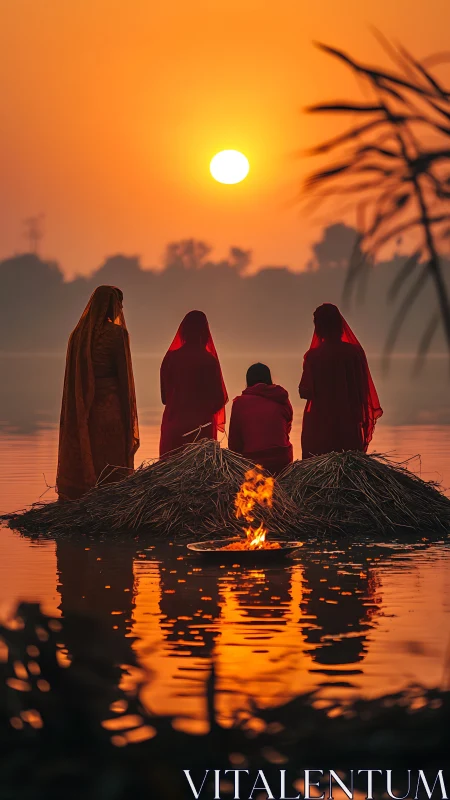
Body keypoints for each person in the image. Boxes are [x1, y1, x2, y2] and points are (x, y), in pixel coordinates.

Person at [56, 285, 139, 501]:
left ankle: (84, 495)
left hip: (83, 408)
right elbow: (124, 377)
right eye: (119, 305)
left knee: (90, 450)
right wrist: (128, 411)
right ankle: (111, 499)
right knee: (111, 458)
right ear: (112, 306)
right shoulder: (117, 334)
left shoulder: (77, 335)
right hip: (110, 407)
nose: (119, 310)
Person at [299, 303, 382, 459]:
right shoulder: (355, 353)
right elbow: (363, 390)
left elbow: (304, 391)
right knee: (349, 466)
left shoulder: (313, 357)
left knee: (317, 470)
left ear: (319, 327)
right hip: (349, 426)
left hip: (320, 428)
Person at [159, 310, 228, 455]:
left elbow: (164, 399)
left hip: (174, 427)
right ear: (205, 332)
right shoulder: (209, 361)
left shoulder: (170, 359)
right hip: (201, 429)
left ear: (183, 331)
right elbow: (219, 399)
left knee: (170, 473)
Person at [228, 363, 293, 475]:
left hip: (253, 463)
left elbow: (234, 444)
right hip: (281, 461)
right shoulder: (281, 398)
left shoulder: (239, 403)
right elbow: (286, 430)